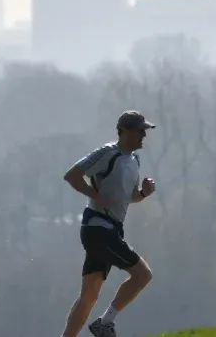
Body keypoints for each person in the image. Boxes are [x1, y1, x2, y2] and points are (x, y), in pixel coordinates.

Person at [60, 110, 158, 337]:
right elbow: (72, 175)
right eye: (139, 131)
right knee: (143, 275)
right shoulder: (108, 153)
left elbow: (129, 196)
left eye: (145, 131)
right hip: (97, 228)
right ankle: (105, 323)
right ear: (124, 131)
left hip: (112, 229)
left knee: (90, 295)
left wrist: (143, 193)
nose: (143, 135)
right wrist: (95, 195)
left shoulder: (135, 159)